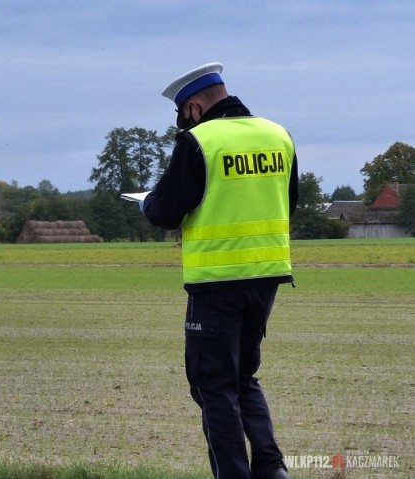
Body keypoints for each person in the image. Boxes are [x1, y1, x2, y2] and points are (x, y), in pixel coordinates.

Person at [140, 62, 297, 479]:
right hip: (267, 276)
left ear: (193, 107)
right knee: (244, 377)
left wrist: (146, 202)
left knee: (213, 387)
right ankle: (271, 469)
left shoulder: (199, 141)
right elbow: (289, 202)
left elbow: (167, 212)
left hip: (216, 283)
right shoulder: (278, 135)